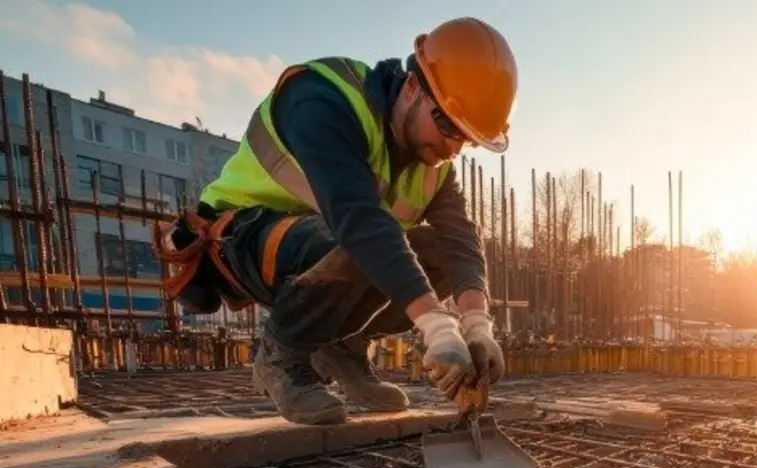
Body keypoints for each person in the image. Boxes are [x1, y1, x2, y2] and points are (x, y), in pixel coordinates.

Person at [153, 18, 516, 425]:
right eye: (447, 124)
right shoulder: (323, 97)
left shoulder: (434, 162)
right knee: (359, 243)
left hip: (327, 246)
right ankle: (280, 356)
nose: (452, 147)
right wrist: (436, 325)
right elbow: (358, 218)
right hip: (239, 240)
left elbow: (460, 240)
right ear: (412, 86)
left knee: (434, 253)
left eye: (465, 139)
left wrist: (477, 323)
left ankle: (345, 347)